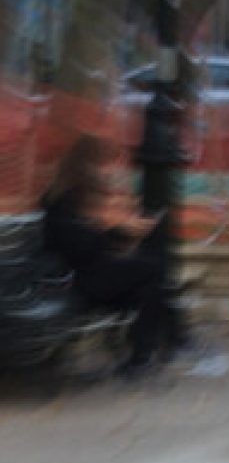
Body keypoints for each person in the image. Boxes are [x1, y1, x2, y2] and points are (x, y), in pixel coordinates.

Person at [41, 134, 185, 378]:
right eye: (102, 164)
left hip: (91, 273)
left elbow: (93, 242)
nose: (106, 172)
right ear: (86, 165)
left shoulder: (79, 195)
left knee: (149, 283)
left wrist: (125, 233)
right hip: (78, 280)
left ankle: (145, 354)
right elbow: (80, 246)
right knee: (152, 272)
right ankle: (149, 351)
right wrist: (114, 229)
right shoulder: (64, 199)